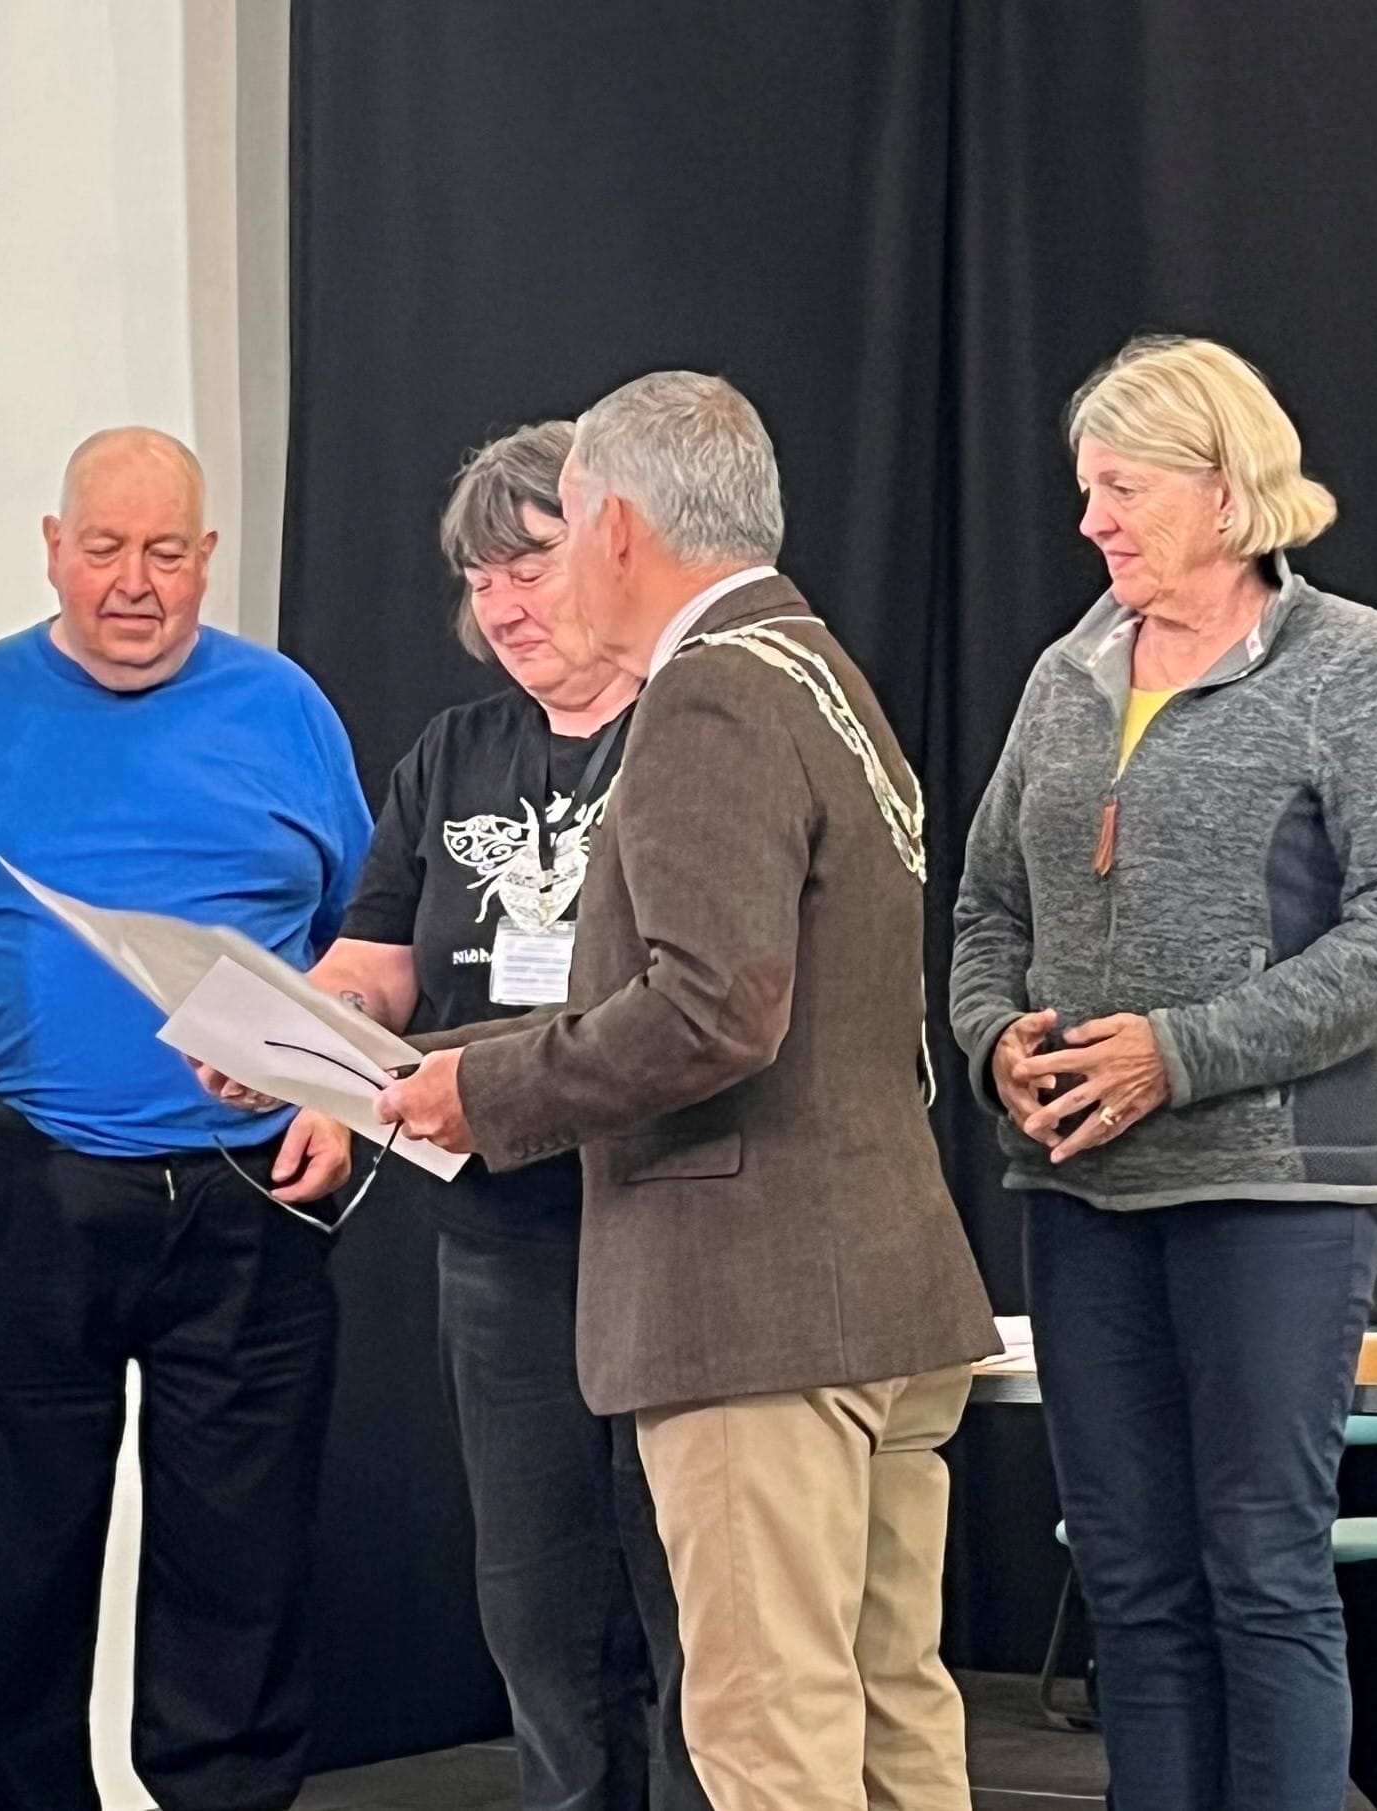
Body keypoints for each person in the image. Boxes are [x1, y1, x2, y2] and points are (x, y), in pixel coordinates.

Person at [377, 371, 1001, 1811]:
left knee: (768, 1738)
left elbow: (717, 1012)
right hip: (880, 1283)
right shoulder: (816, 667)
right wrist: (469, 1064)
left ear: (616, 528)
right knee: (888, 1714)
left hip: (754, 1305)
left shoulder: (709, 692)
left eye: (560, 533)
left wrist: (487, 1096)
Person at [949, 334, 1377, 1811]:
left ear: (1226, 489)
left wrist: (1180, 1055)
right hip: (1082, 1192)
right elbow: (987, 909)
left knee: (1262, 1569)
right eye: (1084, 489)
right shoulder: (1068, 672)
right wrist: (997, 1044)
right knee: (1132, 1581)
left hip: (1277, 1193)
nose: (1091, 521)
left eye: (1120, 488)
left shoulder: (1356, 667)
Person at [216, 422, 709, 1811]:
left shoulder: (694, 725)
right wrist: (287, 1047)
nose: (502, 602)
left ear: (614, 549)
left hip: (664, 1221)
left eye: (532, 563)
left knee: (684, 1593)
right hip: (499, 1237)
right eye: (480, 576)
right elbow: (377, 961)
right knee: (538, 1603)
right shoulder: (453, 751)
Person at [0, 427, 368, 1811]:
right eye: (103, 549)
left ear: (207, 560)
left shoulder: (287, 709)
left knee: (242, 1570)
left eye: (165, 552)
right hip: (23, 1191)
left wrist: (347, 1096)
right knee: (11, 1560)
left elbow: (367, 943)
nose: (133, 582)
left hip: (248, 1200)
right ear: (52, 549)